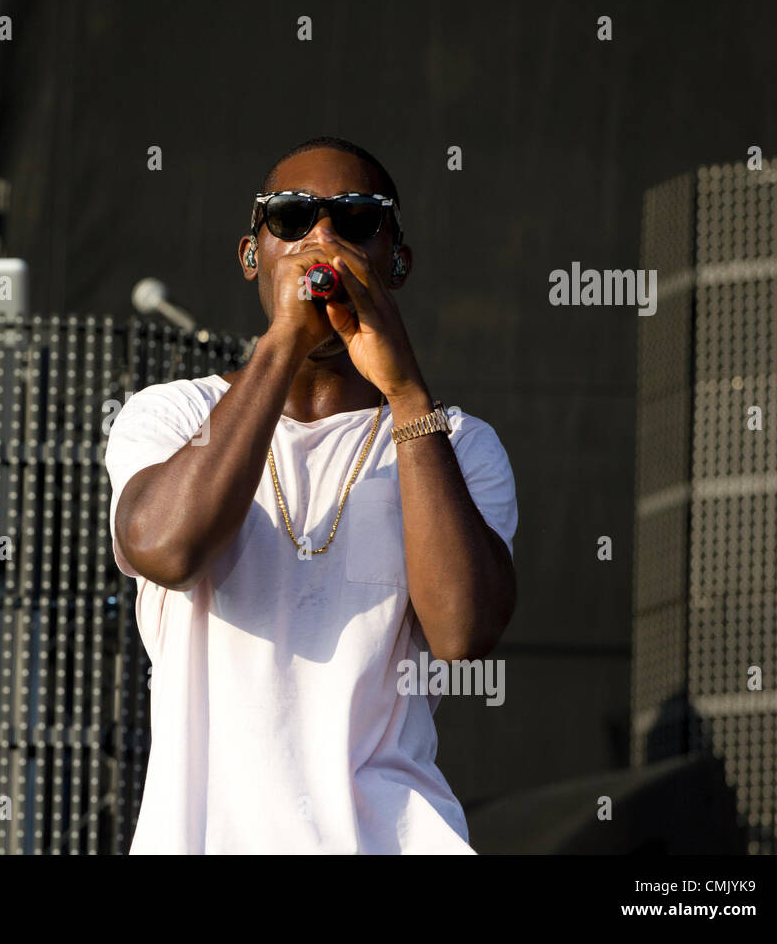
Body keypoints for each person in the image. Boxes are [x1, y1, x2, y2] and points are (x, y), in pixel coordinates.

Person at [105, 135, 518, 853]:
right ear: (250, 256)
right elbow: (166, 549)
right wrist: (282, 343)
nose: (321, 238)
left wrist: (404, 392)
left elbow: (462, 636)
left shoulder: (456, 442)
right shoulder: (169, 416)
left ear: (397, 260)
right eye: (291, 218)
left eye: (356, 219)